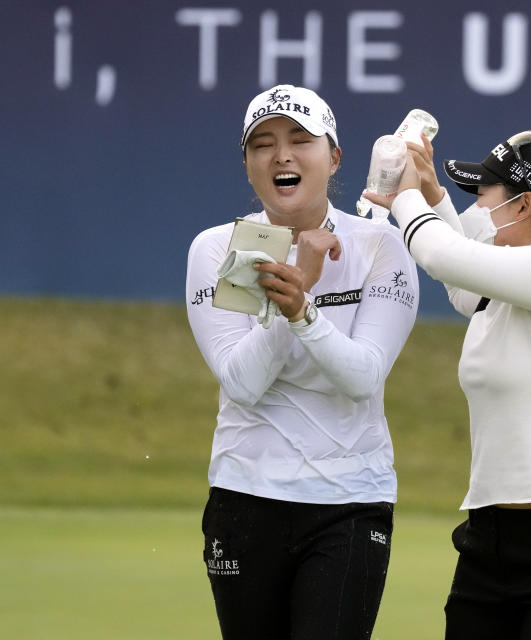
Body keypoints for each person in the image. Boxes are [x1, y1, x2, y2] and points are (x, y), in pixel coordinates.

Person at [365, 130, 531, 639]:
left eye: (483, 196)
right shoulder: (508, 291)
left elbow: (446, 257)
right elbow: (464, 283)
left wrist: (403, 196)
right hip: (488, 545)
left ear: (524, 203)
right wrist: (433, 197)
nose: (479, 209)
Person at [185, 84, 419, 640]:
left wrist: (302, 312)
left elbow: (362, 376)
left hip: (350, 502)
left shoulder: (379, 247)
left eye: (300, 140)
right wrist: (291, 299)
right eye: (262, 144)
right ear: (247, 166)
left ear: (333, 157)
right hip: (244, 498)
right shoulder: (222, 249)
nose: (281, 155)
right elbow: (242, 382)